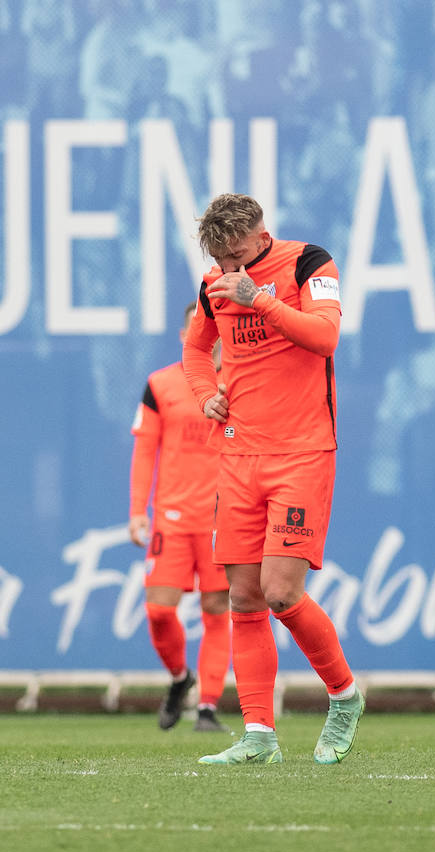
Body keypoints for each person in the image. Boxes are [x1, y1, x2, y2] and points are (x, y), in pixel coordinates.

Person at [181, 192, 364, 765]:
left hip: (303, 453)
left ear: (262, 237)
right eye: (220, 261)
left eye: (237, 256)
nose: (228, 271)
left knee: (283, 592)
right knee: (244, 596)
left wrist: (258, 299)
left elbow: (325, 337)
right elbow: (193, 352)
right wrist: (207, 395)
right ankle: (259, 734)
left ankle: (344, 695)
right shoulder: (214, 286)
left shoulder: (310, 263)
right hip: (238, 458)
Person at [129, 303, 232, 732]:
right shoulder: (161, 384)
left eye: (212, 327)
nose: (205, 335)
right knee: (157, 610)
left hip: (221, 518)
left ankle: (207, 706)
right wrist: (138, 511)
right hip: (170, 518)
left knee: (216, 608)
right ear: (184, 334)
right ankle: (179, 678)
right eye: (196, 328)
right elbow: (144, 450)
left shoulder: (240, 381)